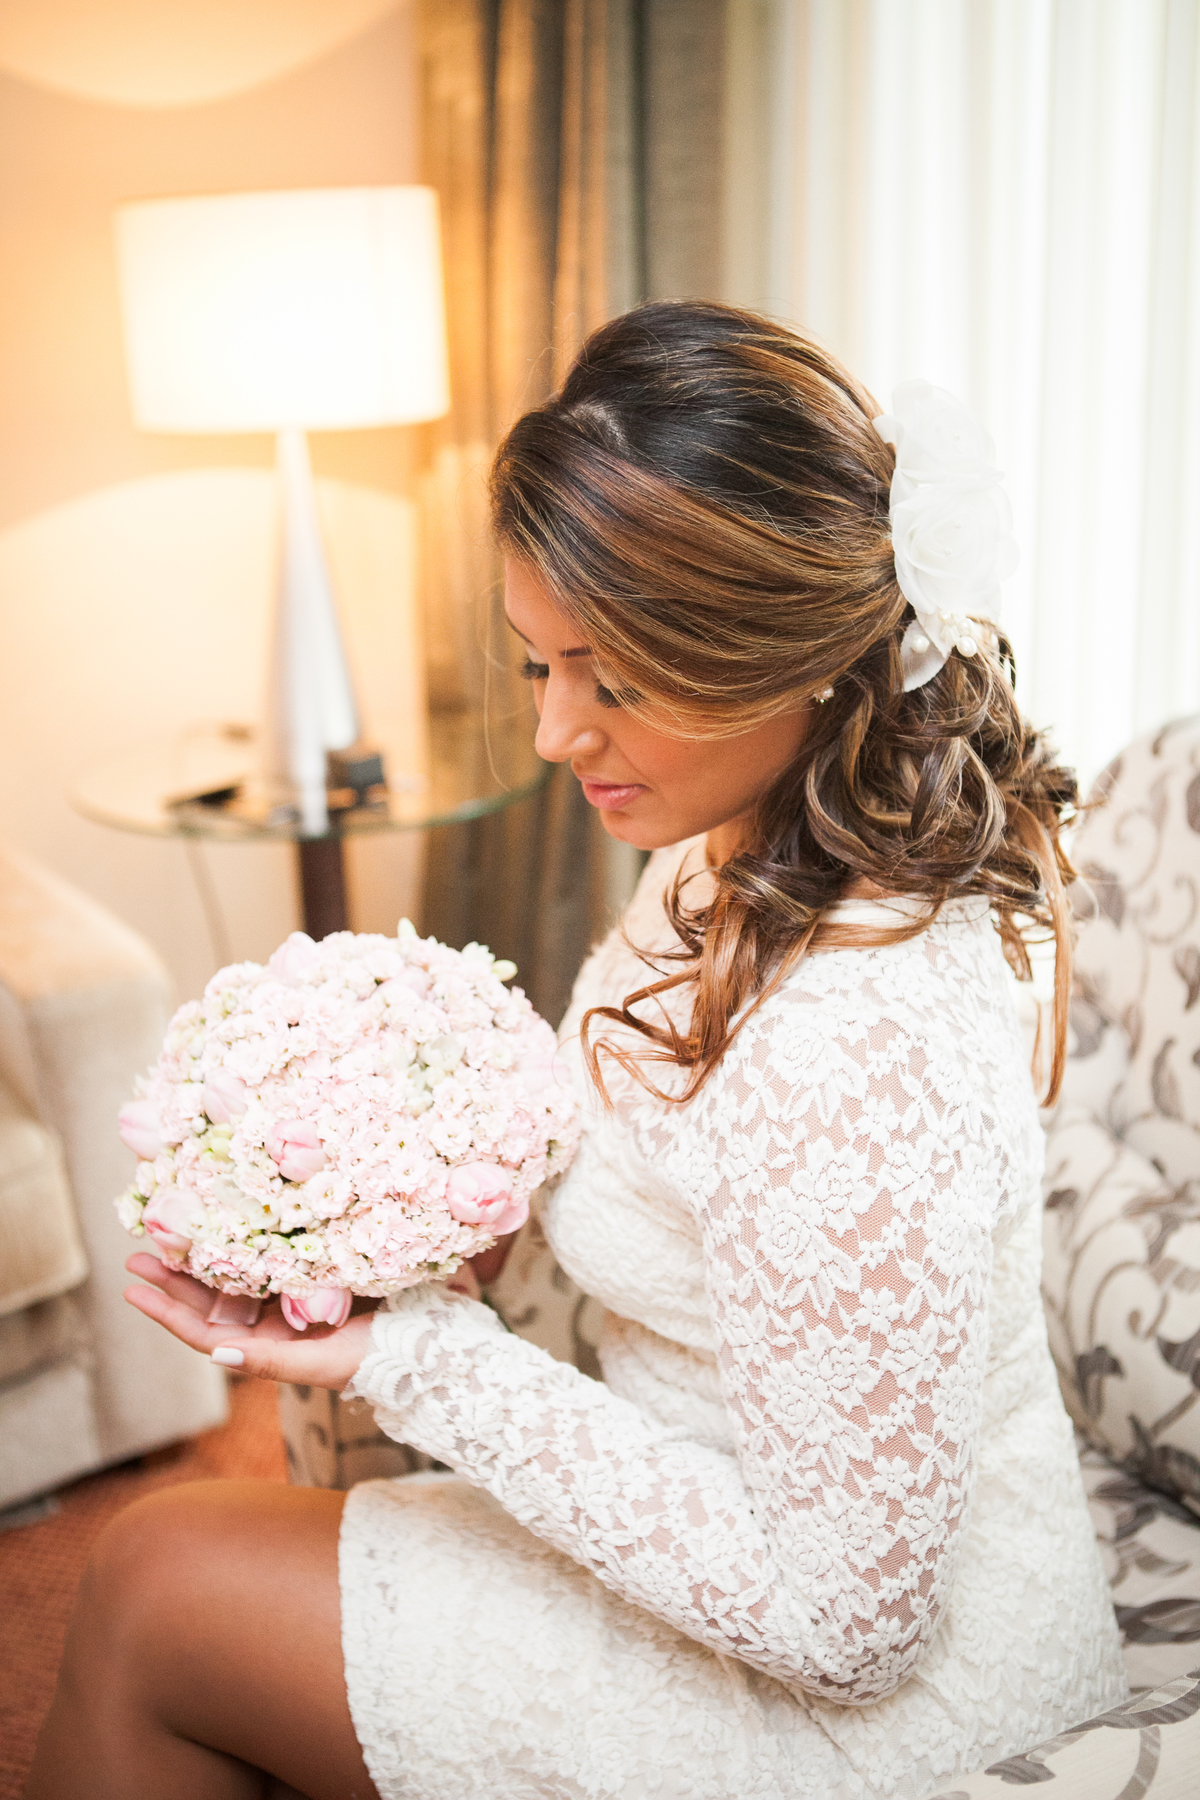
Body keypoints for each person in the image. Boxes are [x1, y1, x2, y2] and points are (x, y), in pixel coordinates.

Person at [27, 302, 1127, 1800]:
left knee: (159, 1581)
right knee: (163, 1573)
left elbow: (849, 1628)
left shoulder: (859, 1052)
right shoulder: (729, 845)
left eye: (610, 677)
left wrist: (416, 1359)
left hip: (875, 1710)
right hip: (710, 1535)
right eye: (536, 663)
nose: (553, 734)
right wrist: (389, 1196)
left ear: (778, 657)